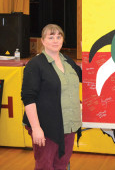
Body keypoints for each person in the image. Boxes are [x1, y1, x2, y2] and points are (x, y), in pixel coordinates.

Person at [21, 24, 82, 170]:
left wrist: (87, 52)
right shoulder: (35, 65)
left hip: (69, 125)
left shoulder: (68, 61)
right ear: (42, 41)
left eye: (59, 36)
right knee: (45, 166)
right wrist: (36, 128)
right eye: (51, 37)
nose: (55, 40)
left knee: (61, 165)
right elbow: (28, 98)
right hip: (46, 127)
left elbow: (85, 77)